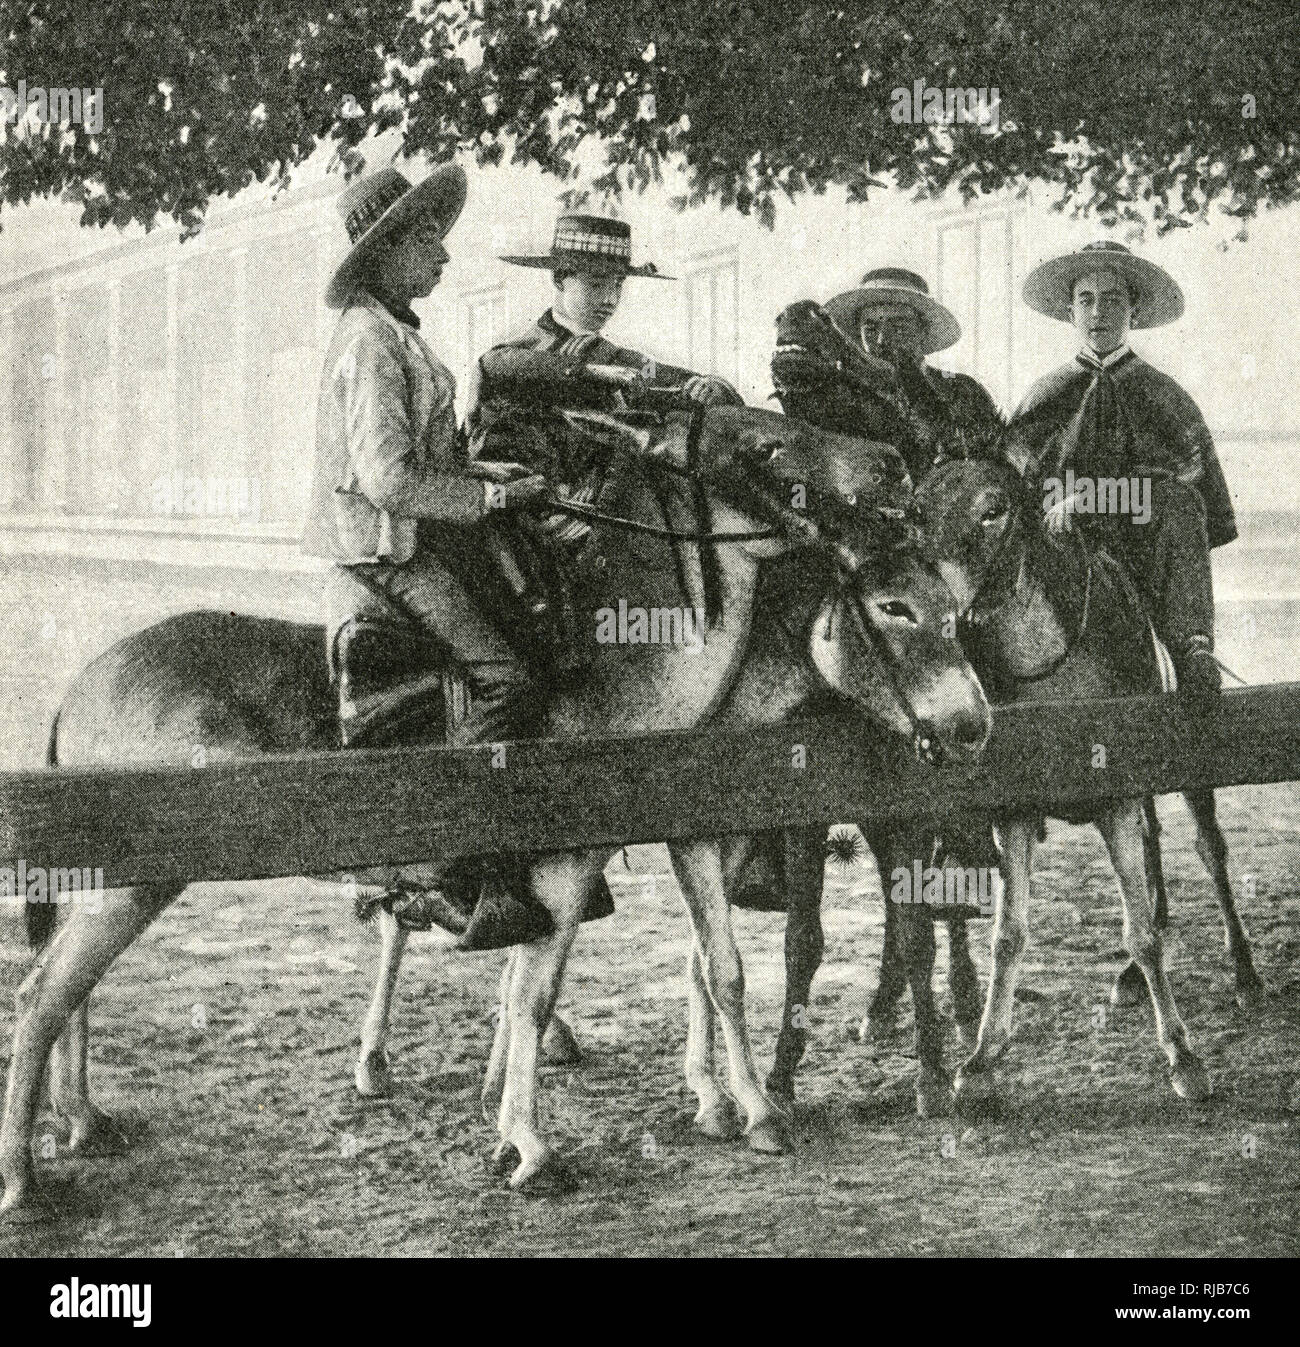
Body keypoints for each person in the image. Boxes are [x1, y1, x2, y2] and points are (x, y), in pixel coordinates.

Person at [302, 163, 553, 947]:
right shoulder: (373, 342)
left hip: (411, 538)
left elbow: (423, 457)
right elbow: (386, 478)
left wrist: (485, 471)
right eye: (425, 240)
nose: (441, 256)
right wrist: (490, 499)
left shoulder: (394, 331)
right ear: (384, 255)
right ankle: (442, 869)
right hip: (385, 555)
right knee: (510, 674)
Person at [1004, 241, 1236, 703]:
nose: (1098, 313)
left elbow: (1184, 490)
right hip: (1055, 550)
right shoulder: (1043, 395)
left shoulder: (1164, 396)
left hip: (1141, 548)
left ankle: (1192, 648)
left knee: (1178, 503)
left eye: (1112, 299)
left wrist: (1090, 500)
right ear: (1071, 311)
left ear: (1133, 310)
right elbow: (1015, 484)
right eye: (1086, 300)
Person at [821, 267, 1002, 480]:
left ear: (923, 331)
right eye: (870, 329)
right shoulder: (843, 395)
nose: (881, 340)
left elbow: (992, 473)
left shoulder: (963, 390)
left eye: (898, 327)